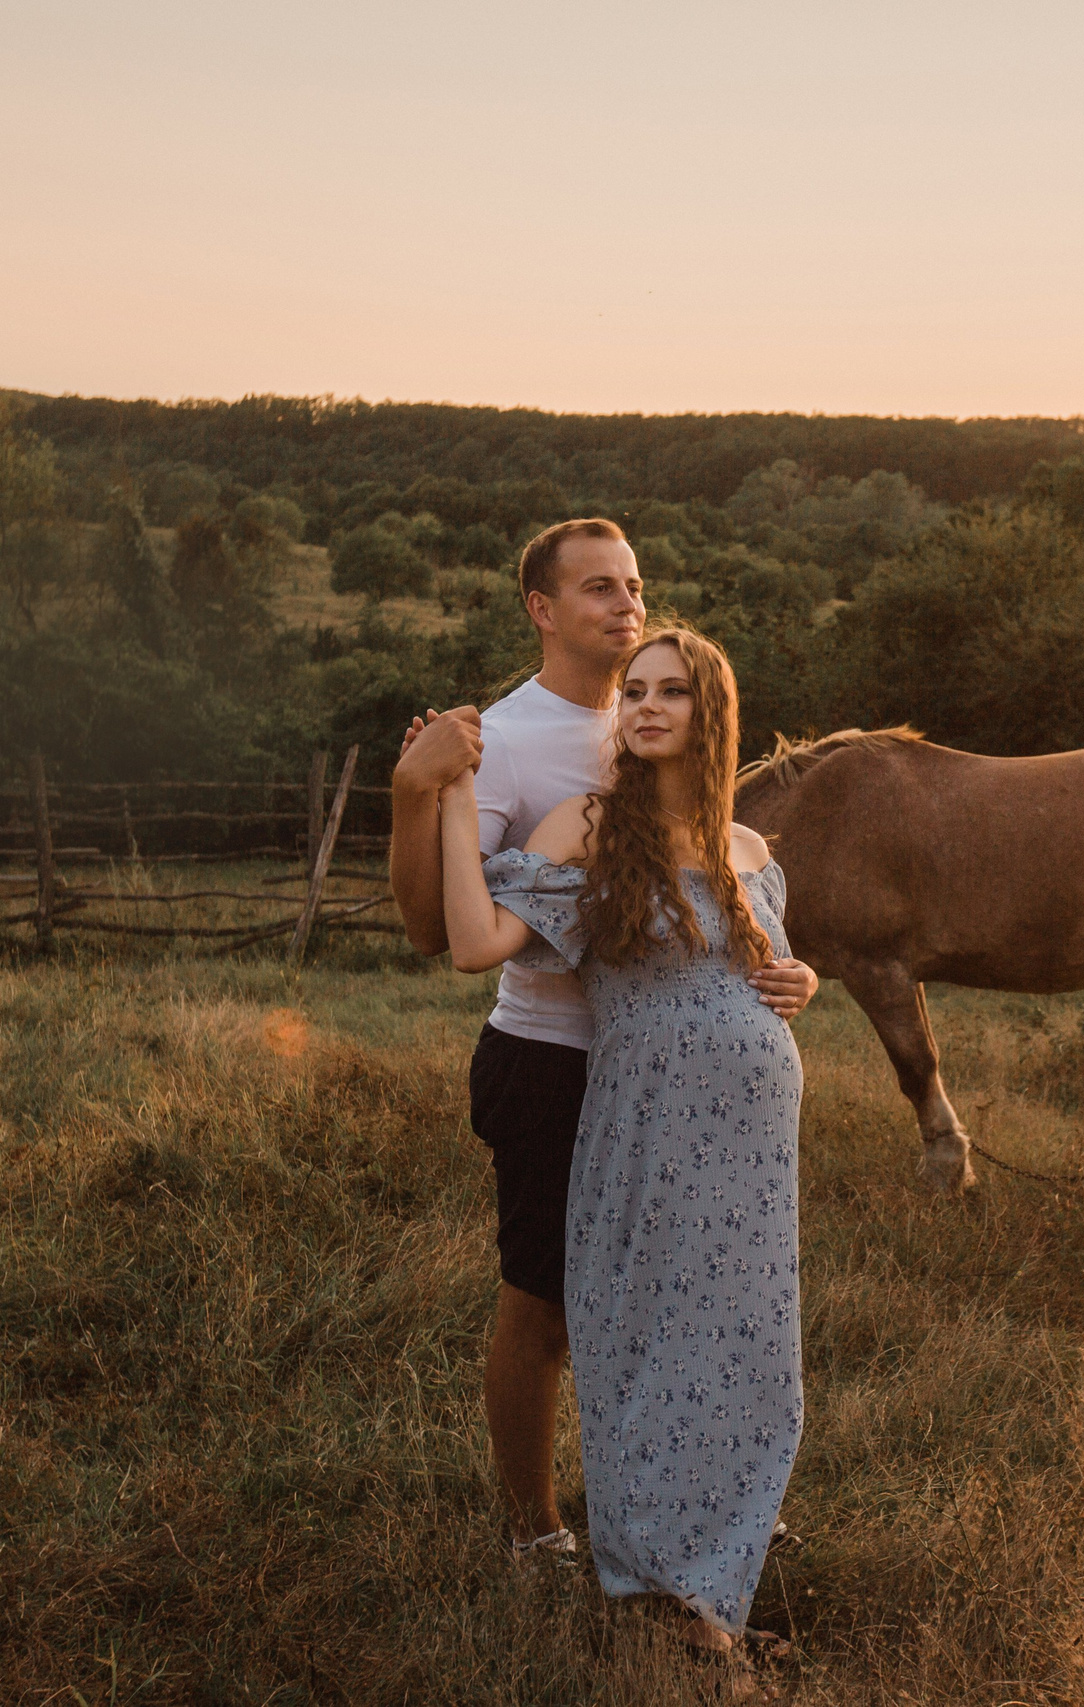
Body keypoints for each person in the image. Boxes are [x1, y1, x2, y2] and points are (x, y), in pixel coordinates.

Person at [387, 520, 817, 1568]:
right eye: (597, 589)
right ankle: (536, 1527)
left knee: (685, 1296)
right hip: (553, 1060)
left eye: (633, 585)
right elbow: (435, 929)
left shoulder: (666, 731)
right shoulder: (504, 740)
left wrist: (787, 974)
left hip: (682, 1080)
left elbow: (729, 905)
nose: (625, 606)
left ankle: (691, 1499)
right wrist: (418, 794)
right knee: (547, 1304)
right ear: (541, 609)